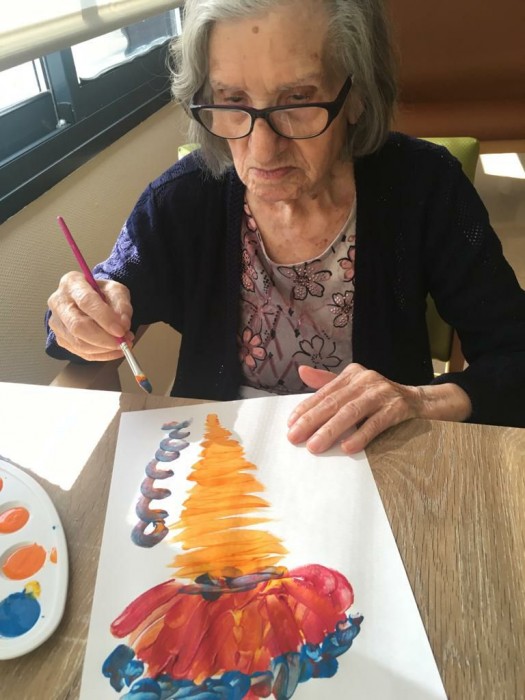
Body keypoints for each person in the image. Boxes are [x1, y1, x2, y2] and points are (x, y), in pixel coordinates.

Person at [46, 0, 525, 454]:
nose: (262, 151)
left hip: (379, 461)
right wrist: (83, 317)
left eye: (297, 99)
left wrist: (420, 400)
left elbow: (514, 355)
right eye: (232, 100)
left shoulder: (426, 188)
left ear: (357, 96)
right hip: (219, 470)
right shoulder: (182, 200)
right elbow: (107, 300)